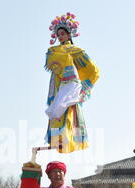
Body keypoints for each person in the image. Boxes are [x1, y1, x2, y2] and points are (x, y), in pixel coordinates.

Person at [44, 12, 100, 153]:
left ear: (69, 35)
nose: (60, 36)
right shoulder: (54, 50)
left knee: (69, 111)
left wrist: (82, 86)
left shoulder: (76, 51)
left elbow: (92, 70)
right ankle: (58, 141)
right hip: (57, 86)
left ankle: (68, 139)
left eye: (63, 33)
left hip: (71, 86)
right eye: (58, 34)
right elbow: (51, 60)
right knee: (57, 111)